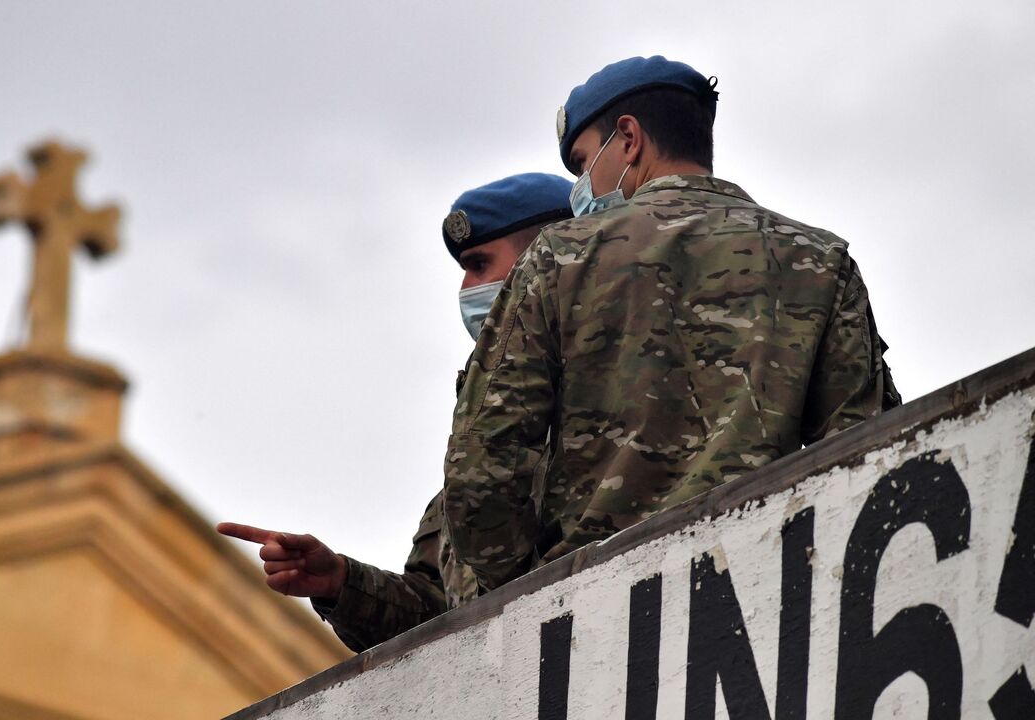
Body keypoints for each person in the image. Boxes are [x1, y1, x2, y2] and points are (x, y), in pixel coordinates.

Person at [443, 56, 901, 604]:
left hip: (594, 608)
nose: (579, 191)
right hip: (762, 594)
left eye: (583, 163)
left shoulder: (560, 258)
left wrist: (525, 596)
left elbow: (480, 470)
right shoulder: (820, 260)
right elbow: (868, 449)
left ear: (629, 139)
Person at [218, 173, 574, 650]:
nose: (467, 287)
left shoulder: (601, 403)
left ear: (543, 261)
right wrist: (340, 583)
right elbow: (436, 613)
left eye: (480, 264)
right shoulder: (484, 436)